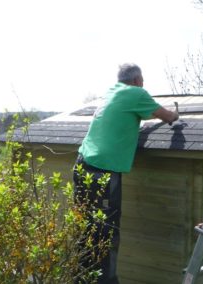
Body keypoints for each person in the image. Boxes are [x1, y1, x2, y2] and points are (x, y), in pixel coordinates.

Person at [73, 63, 179, 283]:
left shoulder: (110, 94)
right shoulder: (136, 93)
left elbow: (126, 117)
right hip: (102, 172)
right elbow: (167, 116)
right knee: (107, 231)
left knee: (86, 228)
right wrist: (176, 113)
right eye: (143, 81)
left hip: (82, 165)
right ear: (138, 80)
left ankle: (80, 278)